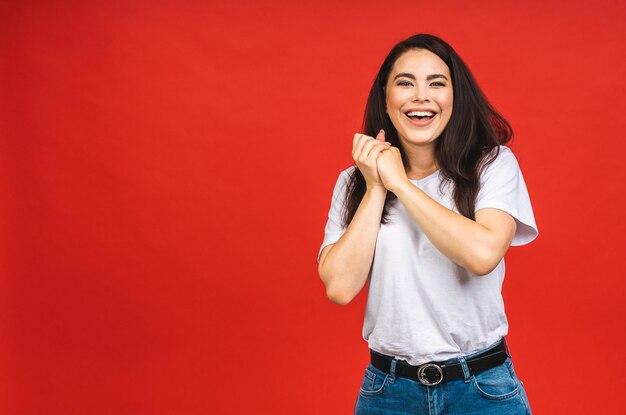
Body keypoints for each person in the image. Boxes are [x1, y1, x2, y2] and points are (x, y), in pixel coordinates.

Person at [317, 34, 538, 415]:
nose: (421, 96)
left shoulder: (492, 166)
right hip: (388, 391)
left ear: (455, 97)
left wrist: (399, 184)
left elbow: (482, 254)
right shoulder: (352, 182)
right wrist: (374, 187)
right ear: (386, 100)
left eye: (437, 83)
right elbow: (339, 287)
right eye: (405, 83)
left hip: (482, 389)